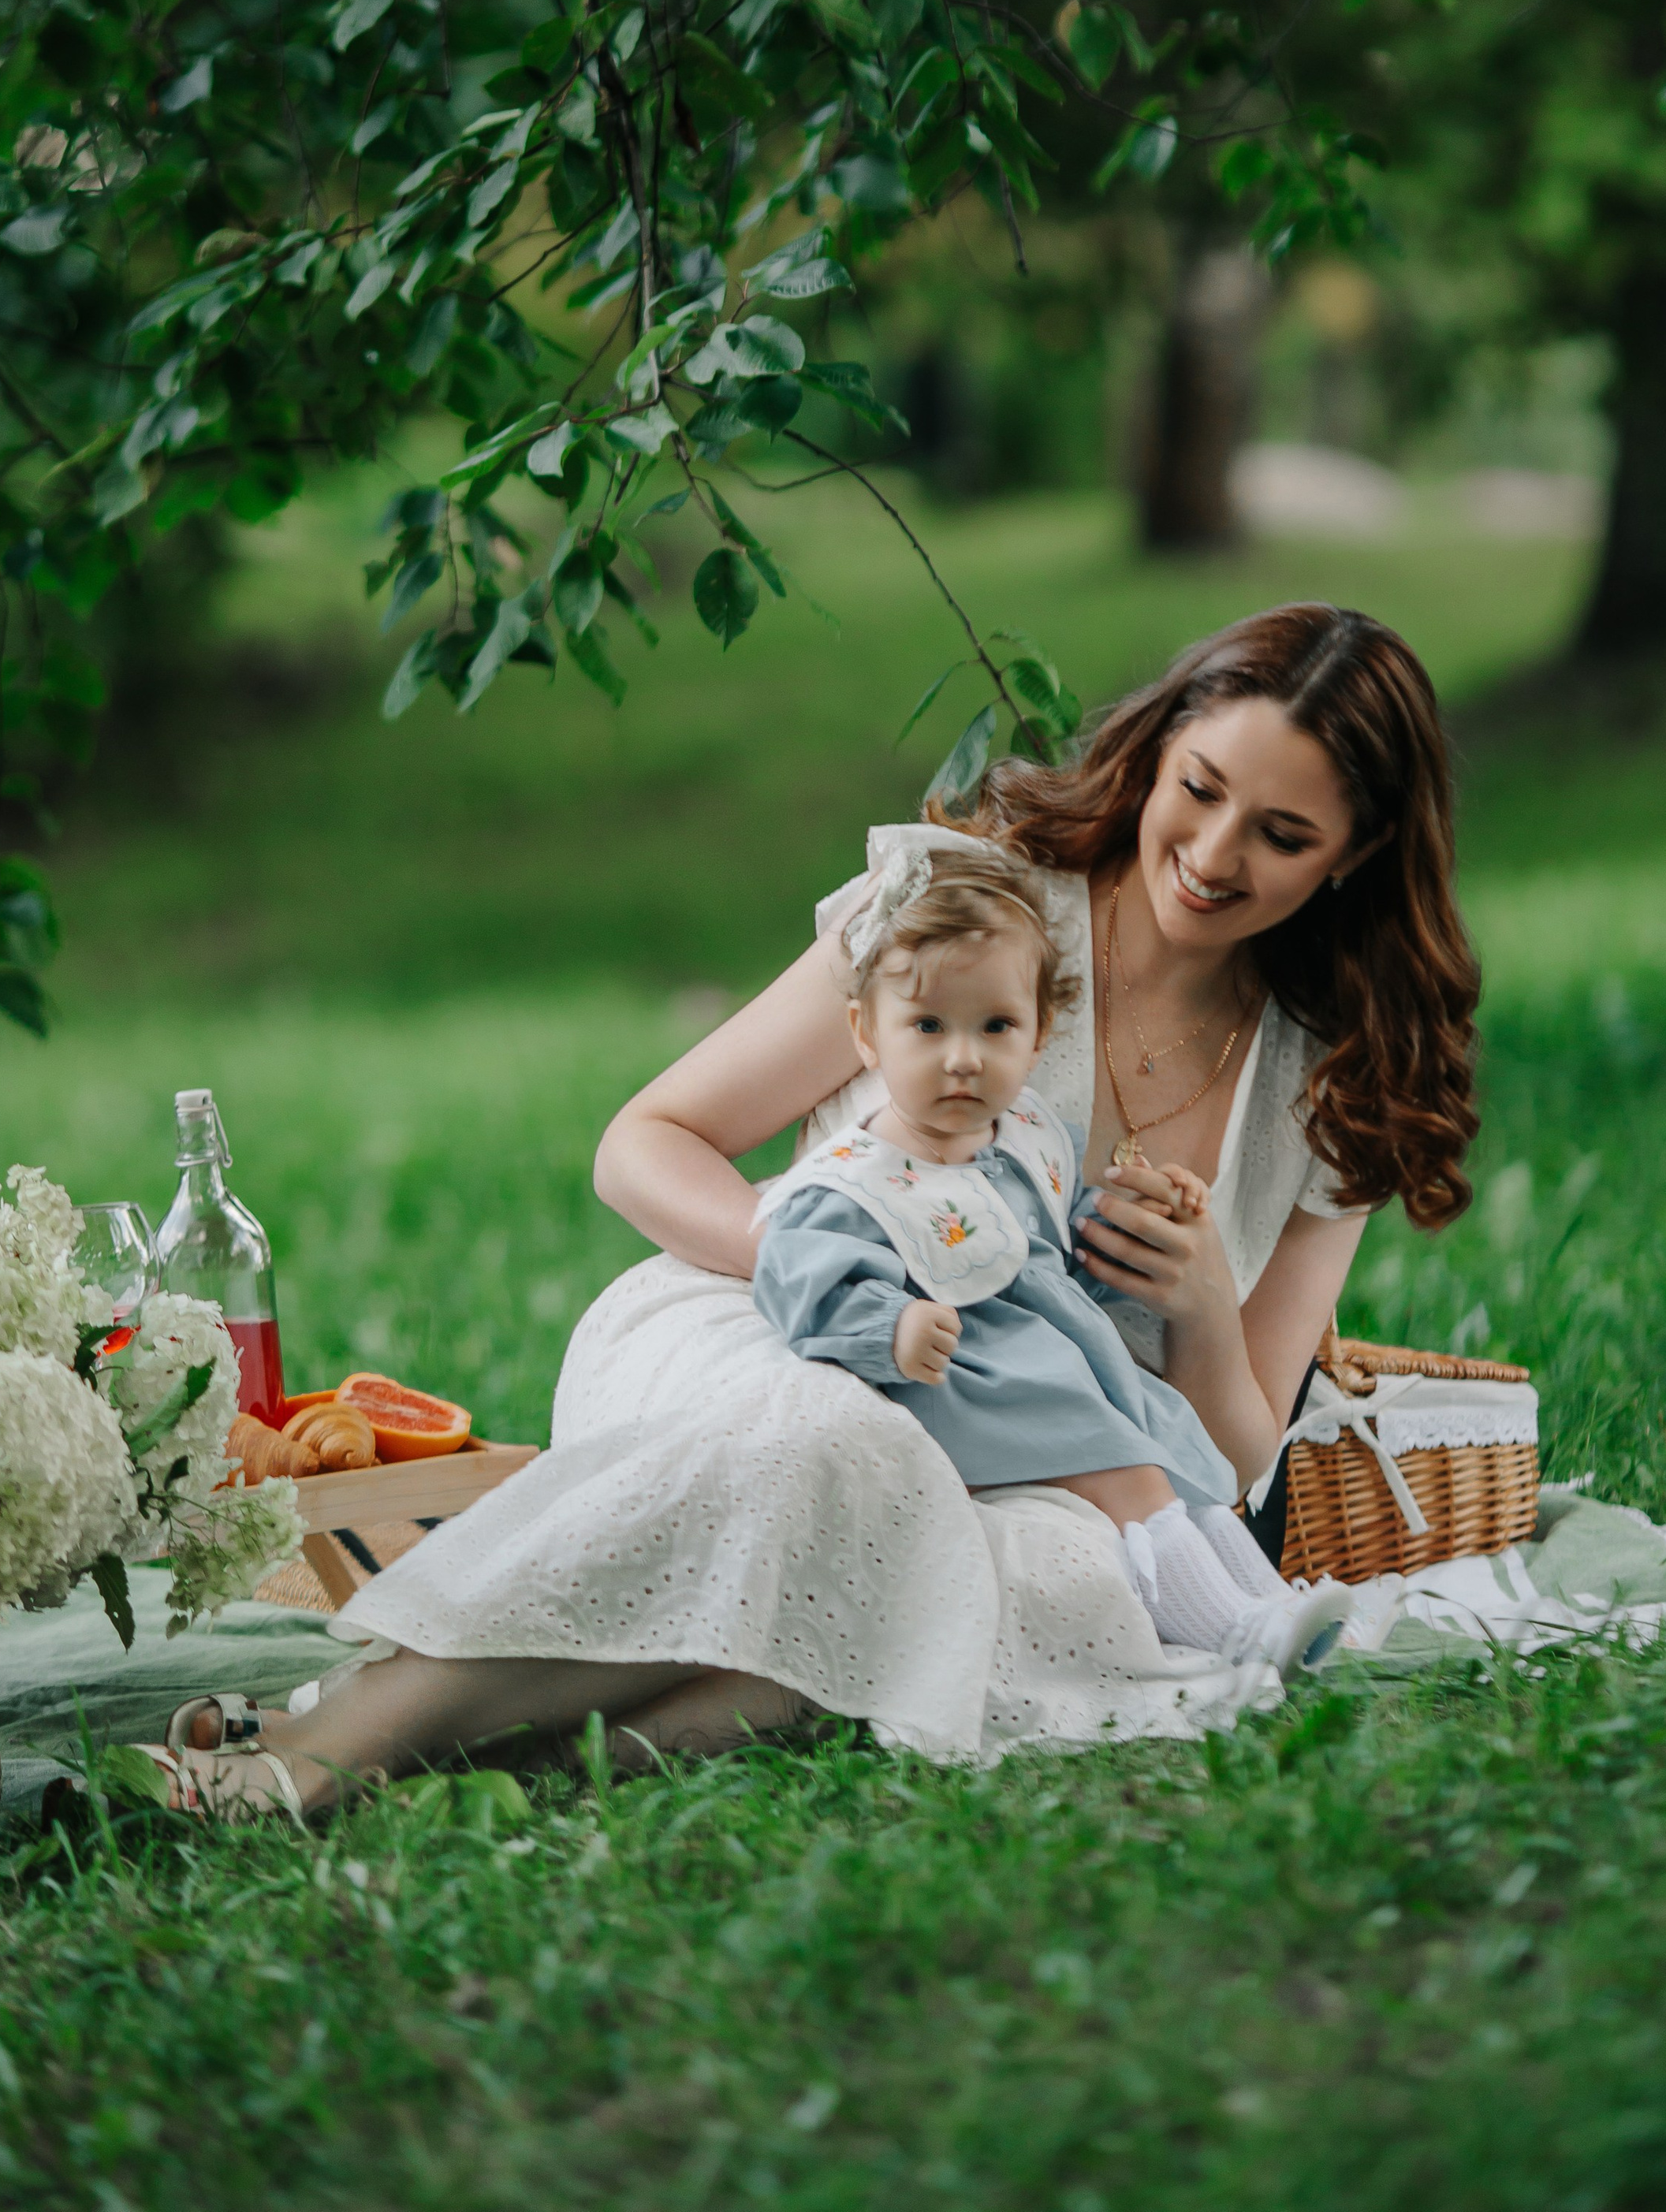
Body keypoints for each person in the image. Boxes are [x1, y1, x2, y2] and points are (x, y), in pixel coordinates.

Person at [143, 601, 1478, 1819]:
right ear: (1164, 745)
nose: (1213, 852)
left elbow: (1243, 1464)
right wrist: (808, 1260)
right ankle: (316, 1770)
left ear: (1355, 858)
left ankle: (385, 1753)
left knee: (978, 1600)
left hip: (1038, 1456)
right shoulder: (972, 905)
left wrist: (1198, 1316)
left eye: (1284, 836)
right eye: (1201, 791)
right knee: (847, 1462)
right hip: (762, 1332)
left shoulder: (1339, 1082)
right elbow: (643, 1144)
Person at [752, 843, 1354, 1671]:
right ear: (866, 1033)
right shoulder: (857, 1178)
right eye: (927, 1027)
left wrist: (1140, 1211)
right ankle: (1229, 1632)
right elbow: (799, 1278)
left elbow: (1058, 1232)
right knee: (1132, 1478)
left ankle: (1266, 1604)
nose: (962, 1056)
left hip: (1064, 1359)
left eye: (995, 1027)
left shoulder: (1030, 1137)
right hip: (973, 1377)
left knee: (1178, 1453)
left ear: (1036, 1037)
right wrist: (891, 1327)